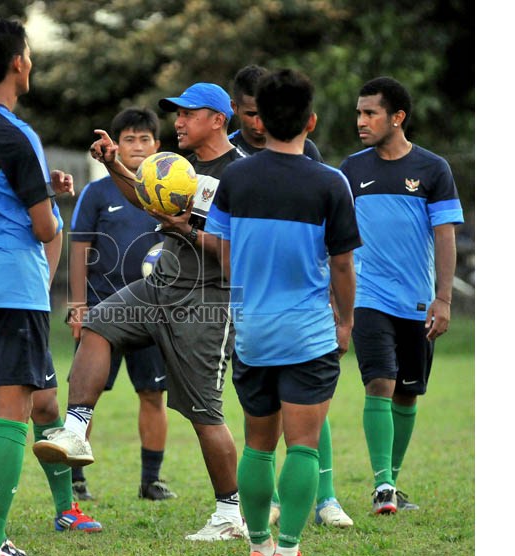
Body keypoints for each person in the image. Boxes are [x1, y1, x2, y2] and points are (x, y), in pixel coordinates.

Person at [35, 82, 249, 541]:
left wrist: (188, 230)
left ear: (217, 119)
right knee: (98, 323)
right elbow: (145, 195)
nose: (178, 121)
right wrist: (113, 164)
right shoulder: (182, 167)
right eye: (177, 113)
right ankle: (75, 430)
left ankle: (232, 514)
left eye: (188, 114)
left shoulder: (241, 175)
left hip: (206, 302)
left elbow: (241, 257)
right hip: (160, 286)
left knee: (204, 413)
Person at [0, 18, 101, 556]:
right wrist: (54, 210)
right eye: (29, 54)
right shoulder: (17, 133)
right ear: (18, 63)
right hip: (15, 288)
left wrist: (39, 194)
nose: (31, 62)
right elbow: (41, 228)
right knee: (13, 413)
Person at [206, 68, 360, 556]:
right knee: (304, 447)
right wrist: (346, 320)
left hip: (253, 332)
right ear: (311, 122)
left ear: (261, 120)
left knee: (258, 445)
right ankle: (289, 547)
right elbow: (341, 264)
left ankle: (258, 544)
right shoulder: (331, 183)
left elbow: (224, 252)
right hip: (309, 334)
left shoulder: (234, 177)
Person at [339, 76, 464, 514]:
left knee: (408, 393)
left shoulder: (433, 169)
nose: (361, 121)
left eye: (370, 113)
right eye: (359, 112)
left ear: (398, 117)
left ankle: (390, 483)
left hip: (416, 300)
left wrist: (443, 299)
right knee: (380, 381)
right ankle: (383, 485)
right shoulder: (351, 170)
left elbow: (445, 235)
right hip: (367, 295)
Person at [66, 107, 177, 502]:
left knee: (153, 394)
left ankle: (152, 480)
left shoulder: (168, 194)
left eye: (145, 139)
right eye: (128, 139)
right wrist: (78, 306)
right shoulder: (97, 193)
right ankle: (75, 479)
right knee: (85, 397)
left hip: (154, 312)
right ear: (115, 144)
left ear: (158, 147)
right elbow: (78, 248)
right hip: (101, 313)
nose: (137, 146)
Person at [229, 64, 323, 162]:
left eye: (264, 112)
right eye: (251, 114)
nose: (259, 121)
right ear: (234, 107)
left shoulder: (305, 149)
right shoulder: (224, 151)